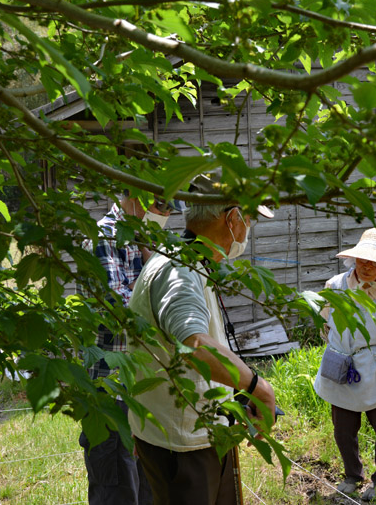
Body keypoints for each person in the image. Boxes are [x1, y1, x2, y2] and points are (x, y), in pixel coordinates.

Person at [126, 175, 277, 505]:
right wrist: (260, 389)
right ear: (232, 219)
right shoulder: (180, 271)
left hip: (176, 435)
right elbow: (195, 345)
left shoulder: (178, 259)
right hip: (185, 448)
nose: (248, 229)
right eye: (249, 219)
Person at [77, 192, 179, 505]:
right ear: (134, 195)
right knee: (118, 489)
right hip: (112, 388)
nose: (164, 213)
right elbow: (118, 313)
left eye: (169, 208)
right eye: (159, 204)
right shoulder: (103, 238)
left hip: (149, 386)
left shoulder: (152, 238)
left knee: (152, 486)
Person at [314, 227, 376, 503]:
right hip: (342, 364)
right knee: (343, 427)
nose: (369, 267)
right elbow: (325, 325)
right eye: (364, 260)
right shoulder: (334, 286)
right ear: (354, 259)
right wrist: (342, 350)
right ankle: (352, 475)